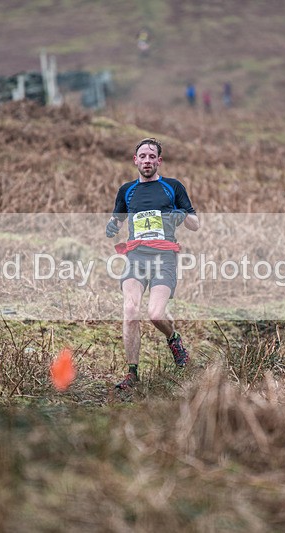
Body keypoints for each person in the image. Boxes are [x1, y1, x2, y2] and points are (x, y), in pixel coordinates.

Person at [105, 138, 200, 392]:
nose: (147, 161)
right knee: (130, 310)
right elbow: (117, 219)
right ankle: (132, 373)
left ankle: (174, 341)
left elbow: (195, 222)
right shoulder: (127, 190)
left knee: (156, 315)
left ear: (159, 160)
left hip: (164, 259)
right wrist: (112, 226)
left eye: (151, 156)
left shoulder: (172, 187)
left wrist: (182, 215)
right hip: (136, 258)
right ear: (135, 160)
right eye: (142, 156)